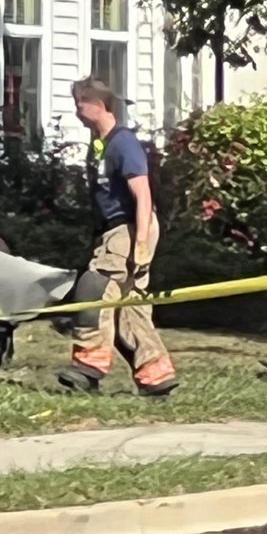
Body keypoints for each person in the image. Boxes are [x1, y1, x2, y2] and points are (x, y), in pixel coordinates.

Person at [56, 77, 178, 398]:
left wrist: (139, 245)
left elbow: (143, 194)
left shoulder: (123, 143)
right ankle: (156, 375)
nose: (77, 111)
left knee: (95, 289)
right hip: (114, 229)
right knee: (129, 306)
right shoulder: (102, 144)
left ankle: (87, 369)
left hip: (128, 227)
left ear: (98, 105)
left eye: (80, 104)